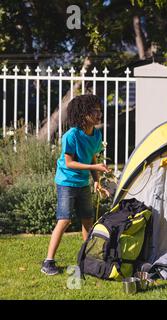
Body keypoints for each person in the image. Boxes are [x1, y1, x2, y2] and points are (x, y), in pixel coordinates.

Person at [41, 94, 111, 275]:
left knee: (88, 220)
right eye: (94, 111)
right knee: (64, 220)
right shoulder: (70, 136)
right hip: (66, 182)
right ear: (82, 114)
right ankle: (48, 261)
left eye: (99, 110)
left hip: (83, 183)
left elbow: (93, 156)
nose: (99, 114)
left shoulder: (96, 134)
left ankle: (87, 258)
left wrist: (96, 181)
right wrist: (94, 166)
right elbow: (69, 162)